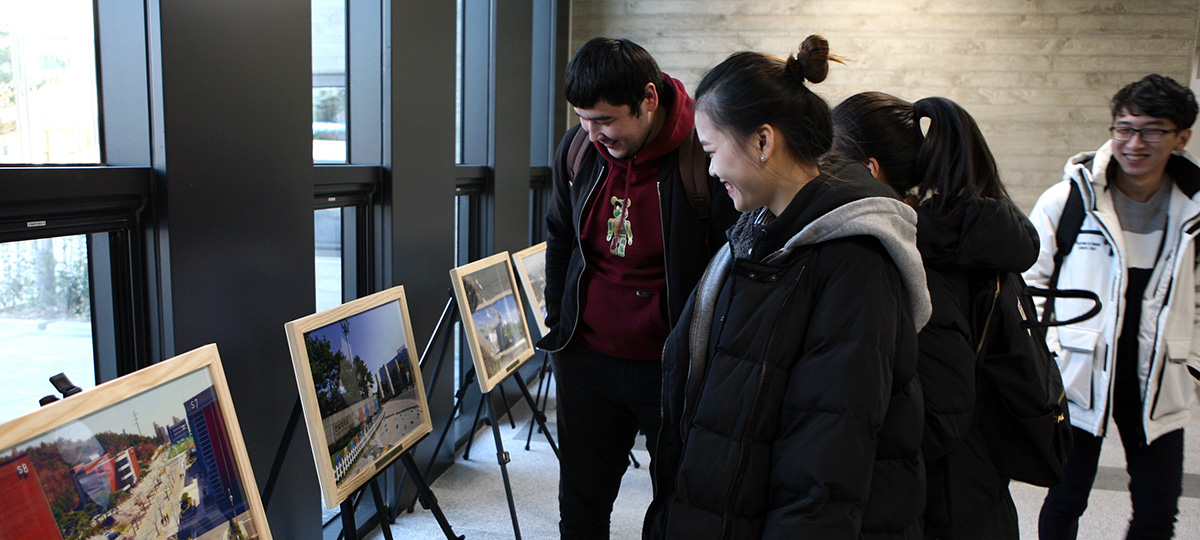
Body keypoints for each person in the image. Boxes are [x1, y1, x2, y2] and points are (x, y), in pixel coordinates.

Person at [642, 35, 931, 539]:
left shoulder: (853, 263)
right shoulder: (756, 236)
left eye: (711, 151)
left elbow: (825, 464)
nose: (709, 170)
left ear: (762, 141)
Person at [537, 37, 737, 539]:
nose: (593, 132)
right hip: (587, 358)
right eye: (583, 118)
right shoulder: (580, 149)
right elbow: (560, 237)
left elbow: (730, 262)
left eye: (606, 120)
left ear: (649, 98)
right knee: (581, 502)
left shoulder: (703, 155)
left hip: (670, 365)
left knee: (677, 500)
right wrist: (559, 324)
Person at [830, 92, 1041, 539]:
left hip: (950, 502)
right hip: (965, 489)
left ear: (870, 171)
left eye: (830, 164)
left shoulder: (918, 261)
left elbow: (942, 412)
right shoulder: (941, 239)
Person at [1024, 74, 1200, 540]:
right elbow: (1030, 282)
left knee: (1158, 513)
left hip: (1158, 379)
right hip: (1079, 375)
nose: (1134, 142)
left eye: (1152, 130)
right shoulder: (1071, 200)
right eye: (1123, 128)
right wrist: (1054, 352)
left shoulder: (1195, 211)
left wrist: (1193, 365)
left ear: (1182, 137)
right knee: (1065, 499)